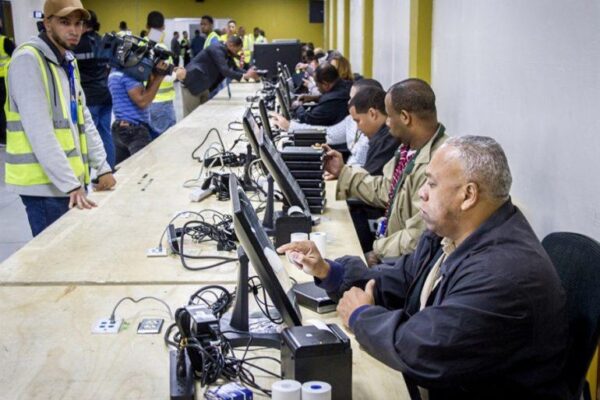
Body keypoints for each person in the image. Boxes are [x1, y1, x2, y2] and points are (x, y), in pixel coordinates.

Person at [278, 136, 569, 400]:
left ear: (468, 195)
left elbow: (426, 348)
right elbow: (402, 279)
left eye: (431, 184)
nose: (422, 193)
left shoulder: (502, 274)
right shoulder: (453, 236)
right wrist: (331, 272)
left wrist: (361, 316)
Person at [5, 0, 116, 237]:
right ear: (47, 23)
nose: (74, 30)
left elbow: (83, 117)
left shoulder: (68, 60)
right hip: (44, 187)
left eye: (78, 23)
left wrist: (102, 166)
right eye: (65, 22)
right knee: (56, 256)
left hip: (67, 182)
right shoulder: (28, 60)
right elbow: (39, 130)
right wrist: (70, 184)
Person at [323, 78, 447, 264]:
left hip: (406, 263)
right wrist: (343, 172)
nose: (387, 123)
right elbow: (387, 189)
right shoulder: (409, 149)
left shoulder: (439, 166)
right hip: (393, 251)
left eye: (389, 116)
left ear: (405, 117)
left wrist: (377, 251)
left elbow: (417, 236)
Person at [108, 35, 168, 163]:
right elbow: (143, 101)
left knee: (123, 171)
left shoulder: (115, 72)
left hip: (119, 129)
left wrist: (153, 76)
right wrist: (159, 77)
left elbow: (145, 93)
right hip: (133, 131)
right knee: (143, 170)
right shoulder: (128, 76)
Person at [175, 36, 259, 117]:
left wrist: (250, 74)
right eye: (237, 50)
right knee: (191, 117)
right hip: (192, 83)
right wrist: (246, 75)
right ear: (231, 45)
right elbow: (225, 71)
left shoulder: (226, 52)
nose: (237, 53)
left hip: (204, 86)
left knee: (202, 116)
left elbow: (234, 68)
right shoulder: (216, 49)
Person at [73, 10, 115, 169]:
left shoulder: (78, 44)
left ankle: (87, 174)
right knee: (105, 134)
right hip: (106, 94)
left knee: (87, 138)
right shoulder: (102, 41)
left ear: (84, 24)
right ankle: (110, 169)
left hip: (89, 97)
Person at [270, 63, 351, 127]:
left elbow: (309, 120)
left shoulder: (332, 101)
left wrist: (297, 106)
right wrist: (315, 98)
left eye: (317, 85)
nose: (317, 88)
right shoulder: (345, 86)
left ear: (326, 84)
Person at [346, 86, 399, 175]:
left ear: (372, 114)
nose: (358, 128)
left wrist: (343, 173)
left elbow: (370, 178)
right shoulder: (384, 137)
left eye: (358, 121)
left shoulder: (386, 140)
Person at [145, 11, 176, 138]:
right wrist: (177, 74)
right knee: (166, 141)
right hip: (162, 102)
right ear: (163, 27)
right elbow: (166, 76)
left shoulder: (141, 45)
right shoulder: (162, 49)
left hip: (145, 102)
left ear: (147, 26)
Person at [0, 18, 16, 145]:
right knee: (6, 108)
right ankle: (5, 136)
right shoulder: (4, 41)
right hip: (4, 80)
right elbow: (17, 55)